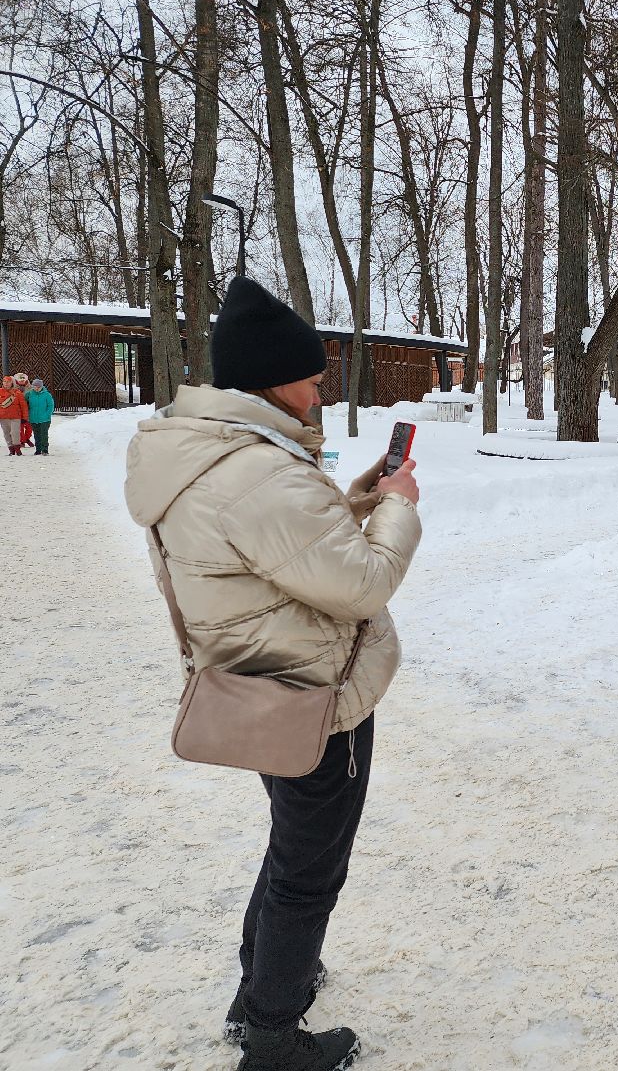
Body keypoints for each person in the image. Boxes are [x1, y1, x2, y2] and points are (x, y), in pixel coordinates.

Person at [124, 275, 422, 1071]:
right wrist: (400, 506)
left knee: (292, 848)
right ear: (272, 379)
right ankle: (272, 1036)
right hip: (312, 694)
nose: (321, 391)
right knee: (309, 870)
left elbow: (285, 549)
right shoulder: (261, 471)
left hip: (259, 682)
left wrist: (355, 501)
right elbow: (361, 584)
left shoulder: (208, 453)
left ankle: (263, 989)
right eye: (312, 377)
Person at [24, 378, 54, 455]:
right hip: (33, 418)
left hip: (45, 419)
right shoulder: (29, 394)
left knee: (44, 434)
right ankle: (38, 449)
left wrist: (47, 414)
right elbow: (24, 404)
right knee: (36, 435)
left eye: (38, 387)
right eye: (35, 386)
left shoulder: (47, 395)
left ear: (41, 387)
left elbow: (50, 405)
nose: (37, 388)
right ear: (32, 386)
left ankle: (45, 450)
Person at [0, 375, 27, 455]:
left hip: (15, 417)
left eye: (8, 382)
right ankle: (11, 449)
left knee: (15, 433)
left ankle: (17, 449)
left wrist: (24, 417)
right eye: (4, 381)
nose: (6, 383)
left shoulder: (17, 393)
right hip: (3, 417)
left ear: (12, 383)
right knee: (6, 434)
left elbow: (23, 406)